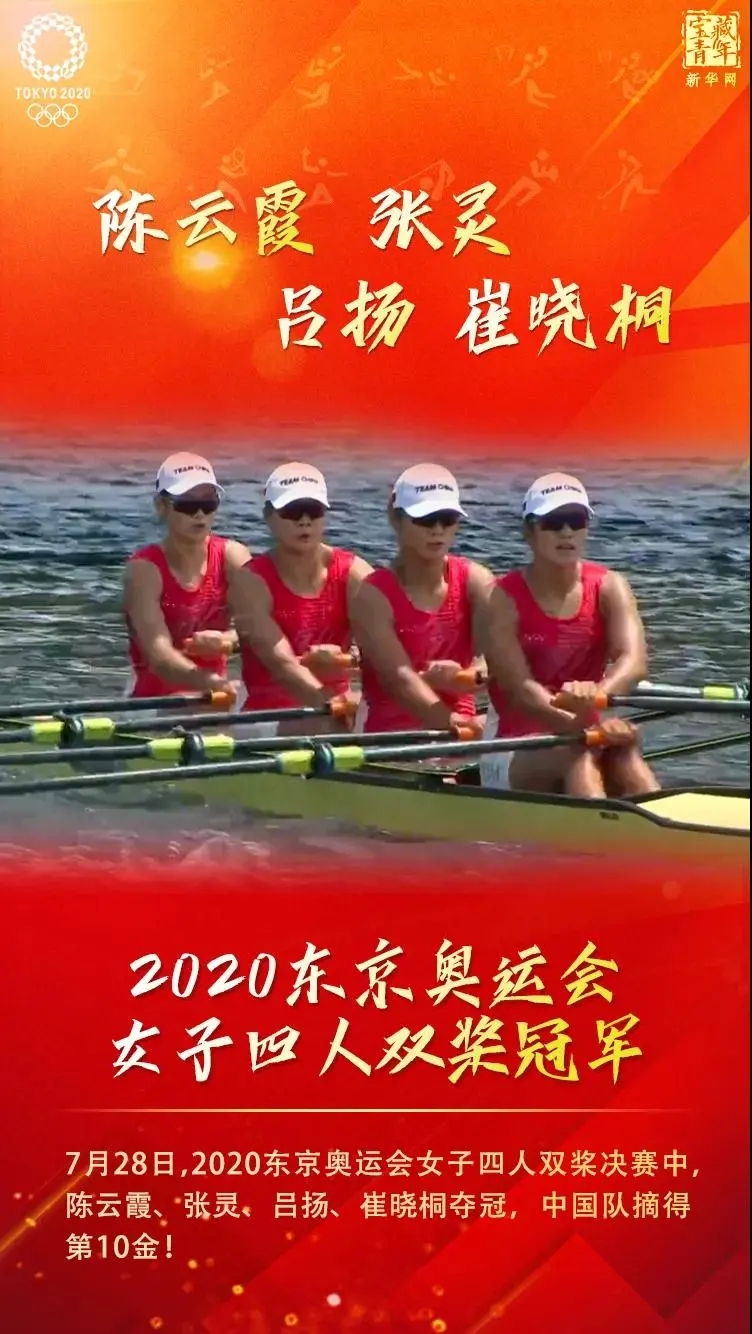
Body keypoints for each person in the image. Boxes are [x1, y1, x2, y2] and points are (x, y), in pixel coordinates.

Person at [479, 472, 659, 797]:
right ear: (529, 532)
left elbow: (633, 662)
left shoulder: (610, 587)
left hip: (583, 731)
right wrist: (582, 724)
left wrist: (599, 694)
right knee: (577, 753)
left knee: (624, 751)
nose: (566, 532)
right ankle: (598, 826)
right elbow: (520, 690)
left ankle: (665, 824)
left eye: (576, 521)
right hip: (512, 745)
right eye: (553, 522)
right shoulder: (501, 598)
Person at [229, 463, 372, 735]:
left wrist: (352, 660)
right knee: (328, 724)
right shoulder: (251, 582)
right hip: (266, 714)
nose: (304, 521)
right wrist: (334, 706)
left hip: (337, 710)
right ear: (269, 516)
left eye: (313, 511)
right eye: (292, 511)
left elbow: (390, 651)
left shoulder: (355, 573)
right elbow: (282, 665)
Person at [351, 464, 492, 736]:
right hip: (394, 736)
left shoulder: (476, 581)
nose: (437, 530)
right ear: (397, 518)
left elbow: (501, 659)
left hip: (462, 732)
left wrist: (471, 676)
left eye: (447, 519)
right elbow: (400, 679)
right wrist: (457, 725)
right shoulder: (373, 595)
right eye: (425, 518)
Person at [123, 453, 250, 698]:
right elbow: (160, 656)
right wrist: (214, 683)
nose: (200, 514)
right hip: (154, 703)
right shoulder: (143, 570)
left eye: (208, 503)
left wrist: (230, 641)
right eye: (187, 504)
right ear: (161, 506)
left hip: (216, 697)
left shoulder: (233, 557)